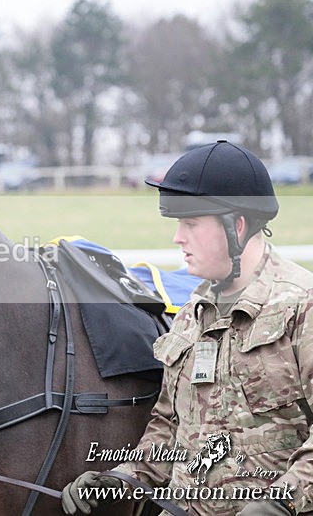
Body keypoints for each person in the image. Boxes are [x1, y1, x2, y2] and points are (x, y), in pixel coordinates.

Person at [62, 140, 313, 516]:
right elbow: (171, 423)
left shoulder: (301, 307)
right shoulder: (192, 314)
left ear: (237, 226)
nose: (178, 237)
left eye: (191, 224)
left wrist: (279, 505)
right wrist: (125, 477)